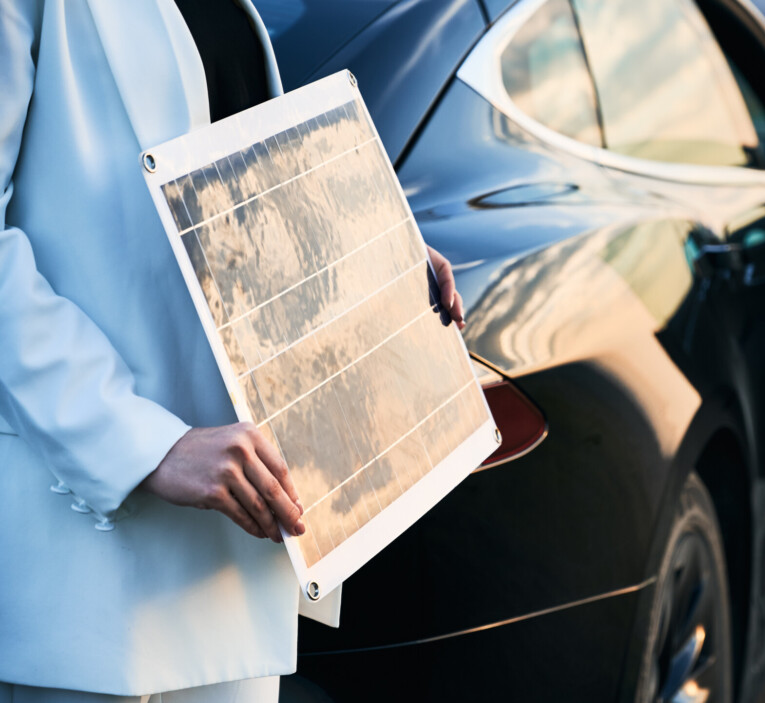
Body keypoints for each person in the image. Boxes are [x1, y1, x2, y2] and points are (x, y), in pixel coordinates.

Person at [0, 1, 463, 700]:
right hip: (91, 587)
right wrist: (145, 444)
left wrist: (372, 252)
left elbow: (234, 207)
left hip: (239, 564)